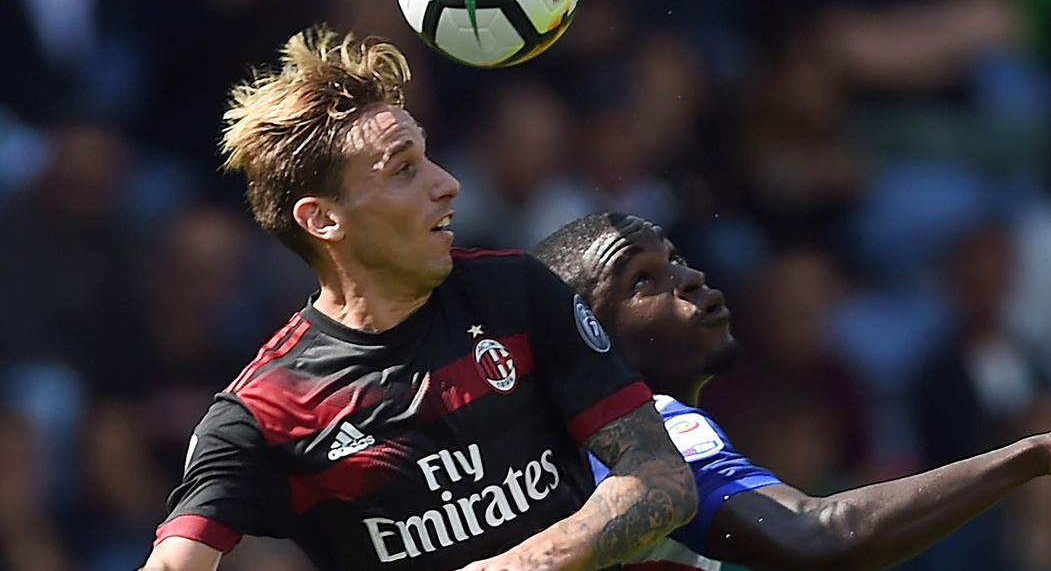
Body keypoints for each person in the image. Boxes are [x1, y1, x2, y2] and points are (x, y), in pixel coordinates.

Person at [141, 29, 697, 571]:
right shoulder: (267, 407)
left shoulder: (516, 293)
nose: (447, 183)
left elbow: (662, 478)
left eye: (427, 157)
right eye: (403, 169)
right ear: (323, 219)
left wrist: (522, 564)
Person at [533, 213, 1051, 571]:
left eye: (675, 258)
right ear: (586, 336)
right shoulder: (657, 430)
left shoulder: (555, 441)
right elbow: (817, 536)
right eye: (643, 281)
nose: (688, 278)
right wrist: (1037, 453)